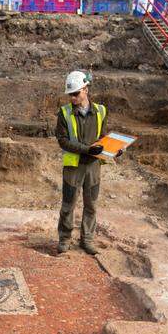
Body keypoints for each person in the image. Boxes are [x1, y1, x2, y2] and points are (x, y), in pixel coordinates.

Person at [55, 70, 120, 255]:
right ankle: (64, 239)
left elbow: (102, 137)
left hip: (93, 166)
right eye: (70, 94)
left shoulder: (101, 111)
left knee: (91, 205)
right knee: (68, 204)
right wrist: (87, 149)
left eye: (76, 93)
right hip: (74, 167)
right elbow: (63, 140)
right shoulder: (65, 113)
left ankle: (87, 240)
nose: (72, 98)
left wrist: (114, 150)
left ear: (85, 89)